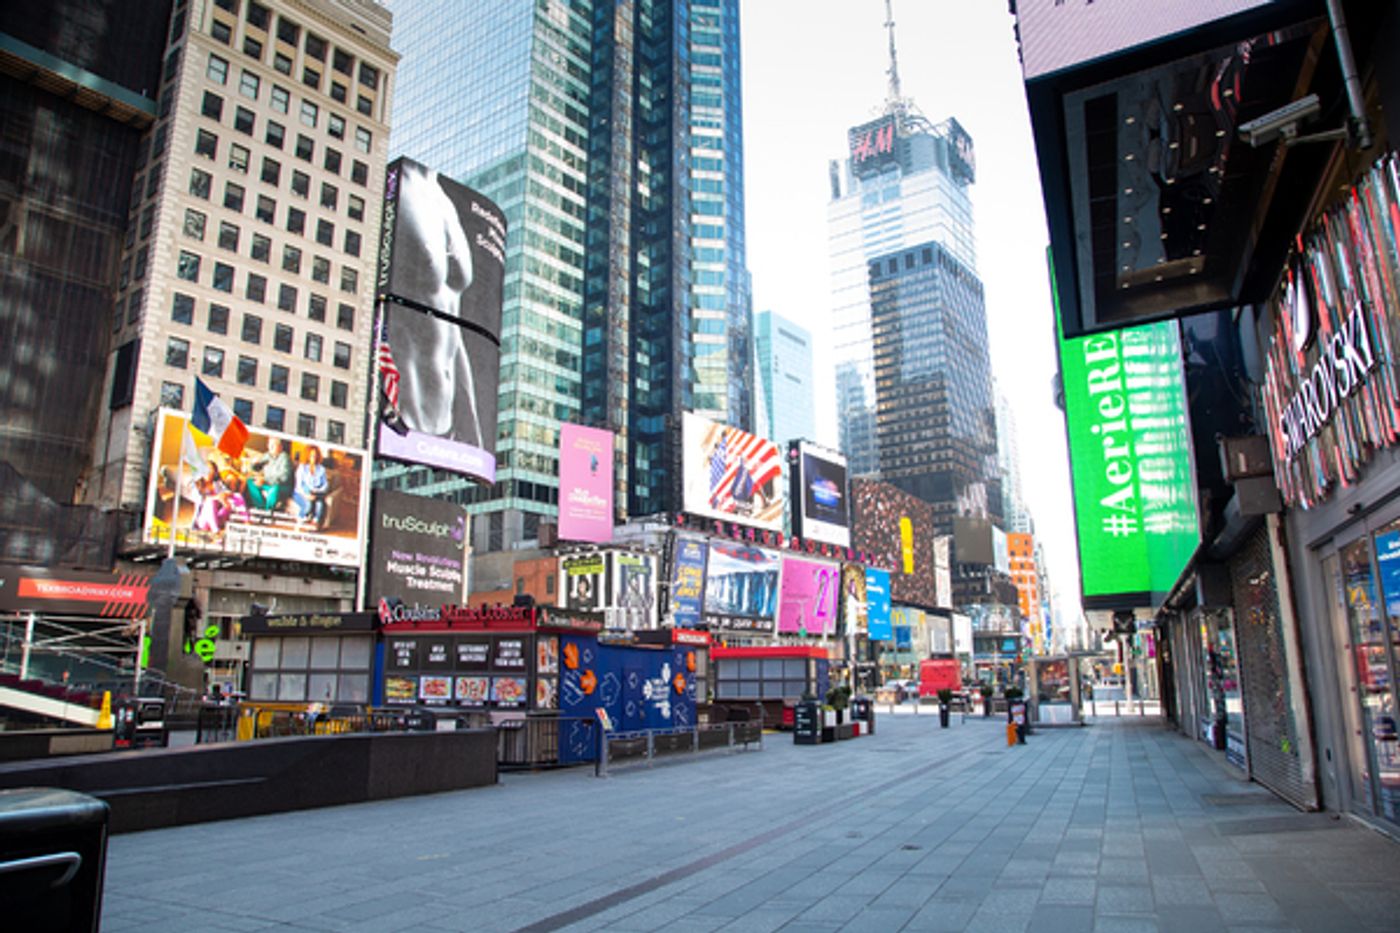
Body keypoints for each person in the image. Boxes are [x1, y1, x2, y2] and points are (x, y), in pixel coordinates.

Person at [388, 162, 489, 449]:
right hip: (404, 426)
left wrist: (473, 430)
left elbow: (451, 325)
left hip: (447, 430)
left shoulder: (444, 200)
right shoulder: (398, 191)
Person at [244, 438, 292, 514]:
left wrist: (265, 480)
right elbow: (257, 468)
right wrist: (254, 464)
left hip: (281, 486)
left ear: (280, 447)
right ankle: (260, 508)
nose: (270, 447)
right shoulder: (267, 455)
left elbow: (284, 477)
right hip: (267, 484)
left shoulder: (284, 458)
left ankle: (268, 512)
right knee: (250, 482)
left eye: (273, 445)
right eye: (269, 444)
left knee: (275, 489)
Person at [292, 447, 330, 527]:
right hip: (301, 493)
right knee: (308, 505)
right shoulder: (302, 468)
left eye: (315, 455)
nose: (314, 457)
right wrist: (306, 495)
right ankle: (301, 518)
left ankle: (315, 522)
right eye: (312, 455)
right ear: (307, 456)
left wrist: (317, 491)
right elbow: (299, 486)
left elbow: (325, 485)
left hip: (316, 493)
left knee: (320, 504)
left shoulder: (321, 469)